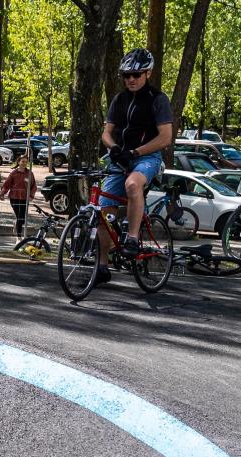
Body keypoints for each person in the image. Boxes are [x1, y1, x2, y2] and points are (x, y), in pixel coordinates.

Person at [99, 47, 173, 285]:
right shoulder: (119, 99)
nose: (130, 79)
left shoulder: (158, 99)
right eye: (126, 75)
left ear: (148, 73)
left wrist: (135, 152)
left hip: (147, 157)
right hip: (120, 157)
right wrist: (113, 148)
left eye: (136, 74)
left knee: (133, 184)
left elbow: (165, 137)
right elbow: (106, 133)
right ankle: (102, 267)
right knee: (103, 211)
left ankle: (132, 238)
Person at [0, 156, 38, 238]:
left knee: (22, 218)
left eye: (26, 162)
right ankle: (18, 237)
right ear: (18, 162)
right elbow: (7, 184)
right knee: (20, 217)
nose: (24, 163)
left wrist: (31, 195)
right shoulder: (14, 173)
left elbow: (34, 186)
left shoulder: (29, 173)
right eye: (22, 161)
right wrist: (2, 193)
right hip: (14, 197)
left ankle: (16, 224)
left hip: (25, 198)